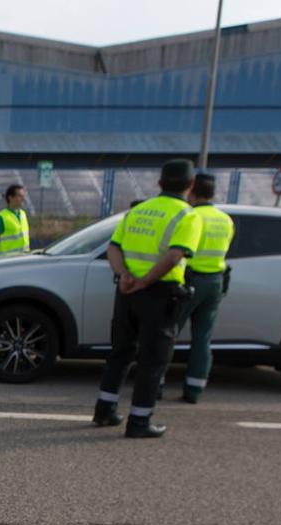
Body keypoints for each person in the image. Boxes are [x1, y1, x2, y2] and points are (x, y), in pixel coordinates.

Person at [92, 159, 203, 438]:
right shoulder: (188, 216)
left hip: (127, 292)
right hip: (160, 294)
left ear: (160, 183)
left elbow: (113, 247)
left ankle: (104, 411)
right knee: (153, 360)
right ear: (190, 186)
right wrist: (145, 281)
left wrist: (125, 276)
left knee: (120, 353)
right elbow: (175, 255)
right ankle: (139, 422)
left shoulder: (138, 211)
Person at [177, 173, 236, 403]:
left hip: (189, 280)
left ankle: (156, 384)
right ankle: (194, 389)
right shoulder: (225, 220)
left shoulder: (191, 217)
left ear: (191, 189)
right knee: (202, 338)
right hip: (215, 282)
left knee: (168, 333)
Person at [0, 184, 30, 255]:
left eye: (23, 196)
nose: (23, 199)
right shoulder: (2, 216)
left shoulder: (23, 214)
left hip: (23, 257)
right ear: (10, 197)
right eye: (20, 196)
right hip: (7, 258)